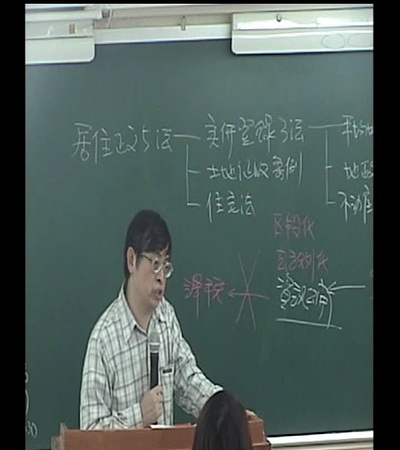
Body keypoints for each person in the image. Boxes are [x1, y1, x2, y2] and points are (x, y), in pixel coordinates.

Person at [79, 209, 225, 429]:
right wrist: (139, 415)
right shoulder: (103, 340)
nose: (161, 277)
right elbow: (90, 430)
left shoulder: (166, 316)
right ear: (132, 260)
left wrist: (224, 409)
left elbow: (188, 380)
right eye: (155, 263)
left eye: (165, 266)